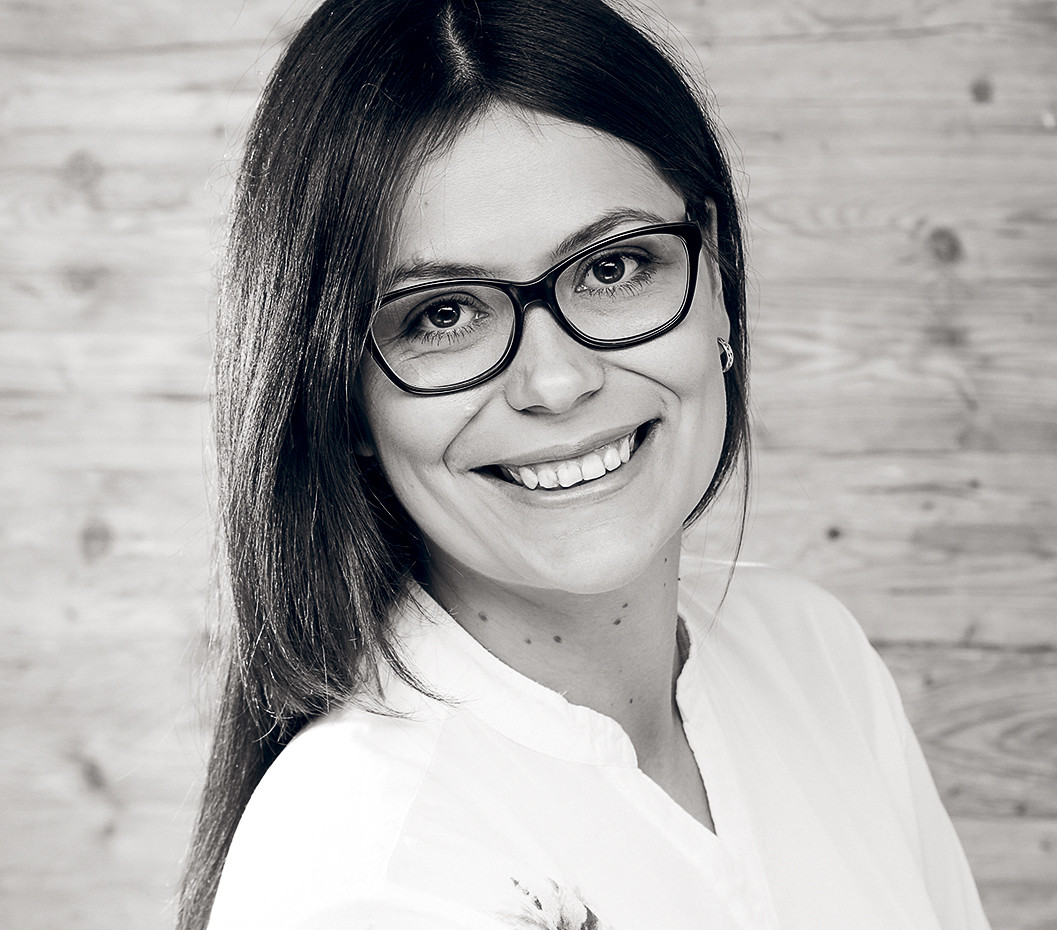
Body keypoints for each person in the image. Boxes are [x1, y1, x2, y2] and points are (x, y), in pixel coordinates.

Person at [181, 1, 992, 928]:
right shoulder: (369, 873)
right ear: (342, 397)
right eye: (442, 315)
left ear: (718, 278)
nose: (557, 381)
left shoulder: (811, 654)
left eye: (611, 269)